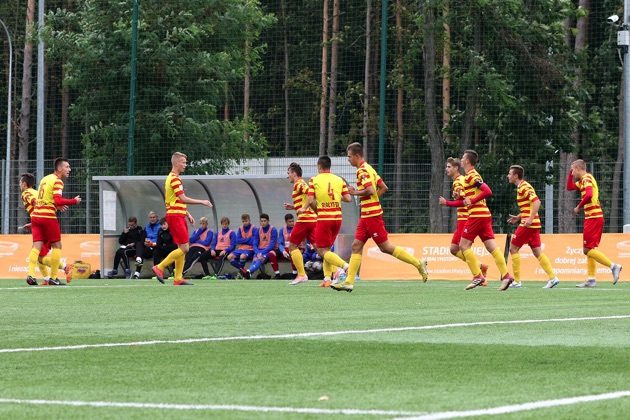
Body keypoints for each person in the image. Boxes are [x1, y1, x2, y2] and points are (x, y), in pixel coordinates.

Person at [332, 142, 428, 292]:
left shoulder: (362, 171)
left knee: (386, 248)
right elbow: (383, 188)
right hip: (367, 215)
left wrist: (354, 192)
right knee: (356, 246)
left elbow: (370, 190)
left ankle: (418, 263)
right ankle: (349, 282)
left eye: (349, 157)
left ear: (357, 156)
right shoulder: (369, 168)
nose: (348, 159)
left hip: (372, 216)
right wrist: (372, 200)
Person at [455, 150, 515, 291]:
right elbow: (469, 196)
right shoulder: (469, 177)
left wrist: (472, 200)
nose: (461, 159)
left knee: (463, 246)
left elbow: (487, 191)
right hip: (484, 215)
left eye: (463, 158)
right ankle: (506, 276)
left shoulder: (472, 175)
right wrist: (459, 195)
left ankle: (478, 276)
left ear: (468, 161)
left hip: (477, 215)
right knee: (491, 247)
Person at [151, 152, 213, 286]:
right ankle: (159, 267)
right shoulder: (174, 179)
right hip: (175, 216)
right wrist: (202, 201)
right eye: (183, 162)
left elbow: (176, 200)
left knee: (182, 246)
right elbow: (183, 198)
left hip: (176, 214)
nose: (185, 165)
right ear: (176, 163)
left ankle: (178, 278)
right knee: (185, 248)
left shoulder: (172, 178)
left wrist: (187, 213)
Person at [566, 159, 622, 287]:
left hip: (593, 217)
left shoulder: (586, 178)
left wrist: (578, 206)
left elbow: (589, 195)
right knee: (591, 249)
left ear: (579, 168)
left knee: (586, 250)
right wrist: (569, 173)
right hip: (593, 217)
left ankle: (613, 266)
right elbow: (569, 187)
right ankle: (591, 279)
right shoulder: (582, 181)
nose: (572, 173)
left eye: (573, 170)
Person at [299, 155, 352, 288]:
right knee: (327, 249)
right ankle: (327, 279)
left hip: (324, 219)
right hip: (337, 218)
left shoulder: (314, 180)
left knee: (322, 251)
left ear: (319, 167)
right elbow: (348, 198)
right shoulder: (339, 179)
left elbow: (310, 200)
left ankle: (344, 267)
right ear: (329, 167)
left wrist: (303, 208)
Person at [27, 158, 82, 286]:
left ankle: (30, 275)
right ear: (59, 168)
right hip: (47, 217)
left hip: (36, 216)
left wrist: (56, 206)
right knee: (57, 246)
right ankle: (53, 277)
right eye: (67, 167)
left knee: (36, 247)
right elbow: (57, 200)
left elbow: (47, 199)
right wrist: (74, 201)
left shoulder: (45, 179)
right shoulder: (58, 181)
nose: (69, 169)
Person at [506, 165, 559, 289]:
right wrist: (519, 217)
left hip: (529, 224)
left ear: (515, 176)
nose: (508, 176)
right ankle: (553, 278)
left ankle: (517, 281)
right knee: (537, 251)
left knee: (513, 249)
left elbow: (537, 202)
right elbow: (529, 206)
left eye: (509, 174)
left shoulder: (524, 187)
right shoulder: (521, 187)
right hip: (533, 224)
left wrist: (529, 219)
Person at [439, 158, 488, 285]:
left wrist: (447, 203)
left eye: (449, 167)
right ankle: (480, 269)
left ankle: (479, 274)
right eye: (447, 167)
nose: (447, 169)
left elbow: (463, 201)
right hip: (466, 217)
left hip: (466, 218)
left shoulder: (459, 181)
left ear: (456, 168)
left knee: (458, 248)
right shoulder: (459, 180)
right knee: (456, 248)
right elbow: (462, 197)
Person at [19, 173, 71, 285]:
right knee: (40, 256)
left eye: (20, 183)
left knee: (38, 252)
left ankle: (61, 269)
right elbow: (44, 202)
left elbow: (36, 203)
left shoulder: (26, 193)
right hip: (42, 221)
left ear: (24, 184)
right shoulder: (36, 192)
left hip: (41, 222)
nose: (19, 185)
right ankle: (48, 278)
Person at [283, 162, 318, 285]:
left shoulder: (299, 183)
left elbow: (310, 194)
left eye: (289, 173)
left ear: (294, 173)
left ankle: (302, 275)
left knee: (292, 247)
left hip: (305, 220)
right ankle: (339, 270)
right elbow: (306, 199)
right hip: (312, 219)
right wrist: (293, 207)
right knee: (320, 249)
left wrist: (303, 209)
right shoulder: (300, 184)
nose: (288, 176)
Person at [241, 213, 279, 279]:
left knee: (259, 259)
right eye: (261, 221)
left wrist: (261, 252)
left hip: (270, 250)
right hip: (260, 250)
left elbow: (272, 244)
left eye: (265, 221)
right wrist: (257, 251)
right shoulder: (258, 230)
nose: (263, 223)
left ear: (268, 221)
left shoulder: (273, 229)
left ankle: (248, 271)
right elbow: (255, 243)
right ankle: (248, 274)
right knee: (255, 259)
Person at [133, 211, 161, 279]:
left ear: (157, 217)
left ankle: (157, 273)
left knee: (155, 252)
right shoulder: (147, 227)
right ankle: (137, 272)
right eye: (151, 217)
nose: (152, 219)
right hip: (148, 247)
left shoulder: (160, 226)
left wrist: (152, 243)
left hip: (156, 246)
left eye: (154, 217)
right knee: (139, 244)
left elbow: (161, 239)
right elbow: (143, 238)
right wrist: (145, 242)